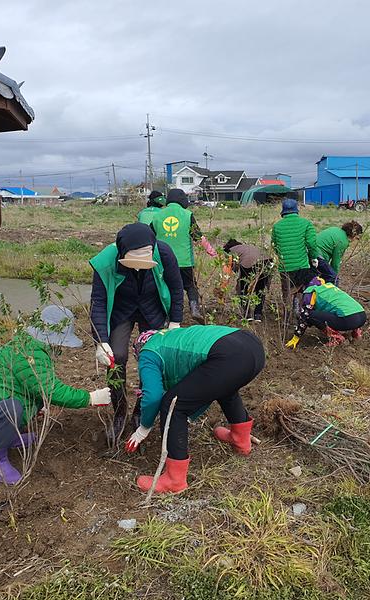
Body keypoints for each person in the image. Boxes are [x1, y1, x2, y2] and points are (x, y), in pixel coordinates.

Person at [0, 305, 112, 485]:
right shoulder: (29, 354)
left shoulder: (30, 346)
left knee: (22, 402)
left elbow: (34, 389)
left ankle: (6, 437)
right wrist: (89, 398)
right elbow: (50, 390)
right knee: (11, 407)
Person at [126, 326, 265, 495]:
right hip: (252, 347)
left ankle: (174, 480)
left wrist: (144, 427)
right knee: (224, 386)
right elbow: (204, 387)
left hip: (230, 357)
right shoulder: (172, 339)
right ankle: (240, 439)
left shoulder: (147, 352)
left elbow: (153, 396)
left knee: (173, 405)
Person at [89, 222, 184, 446]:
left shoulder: (164, 254)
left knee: (150, 357)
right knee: (116, 356)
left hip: (152, 307)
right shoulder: (105, 262)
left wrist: (175, 321)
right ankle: (120, 410)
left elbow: (176, 287)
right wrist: (101, 340)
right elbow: (99, 302)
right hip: (122, 310)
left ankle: (142, 409)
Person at [150, 188, 217, 321]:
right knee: (190, 286)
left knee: (168, 288)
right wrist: (212, 252)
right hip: (184, 261)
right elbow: (198, 237)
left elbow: (149, 236)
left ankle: (168, 316)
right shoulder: (187, 215)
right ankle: (194, 308)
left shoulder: (157, 216)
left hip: (163, 261)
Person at [285, 277, 367, 348]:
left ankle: (336, 337)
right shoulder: (329, 287)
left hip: (349, 320)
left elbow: (305, 315)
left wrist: (296, 337)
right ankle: (356, 333)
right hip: (362, 316)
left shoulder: (311, 292)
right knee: (341, 309)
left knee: (309, 315)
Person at [271, 198, 318, 310]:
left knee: (287, 291)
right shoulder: (306, 224)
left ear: (283, 211)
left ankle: (286, 317)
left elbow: (274, 245)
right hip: (301, 265)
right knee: (301, 290)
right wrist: (314, 258)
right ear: (296, 210)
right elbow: (311, 244)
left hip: (284, 266)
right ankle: (300, 313)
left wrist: (282, 255)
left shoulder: (277, 226)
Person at [223, 239, 273, 322]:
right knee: (260, 289)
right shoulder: (246, 247)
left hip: (249, 262)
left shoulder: (231, 251)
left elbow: (231, 269)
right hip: (267, 261)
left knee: (242, 287)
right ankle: (258, 315)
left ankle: (247, 314)